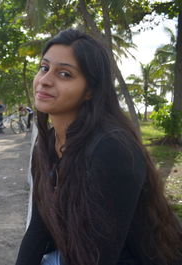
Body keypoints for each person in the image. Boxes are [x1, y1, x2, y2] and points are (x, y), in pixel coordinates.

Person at [15, 29, 182, 265]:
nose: (45, 80)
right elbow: (38, 228)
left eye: (64, 74)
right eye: (44, 68)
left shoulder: (111, 149)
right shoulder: (48, 144)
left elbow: (99, 256)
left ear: (90, 91)